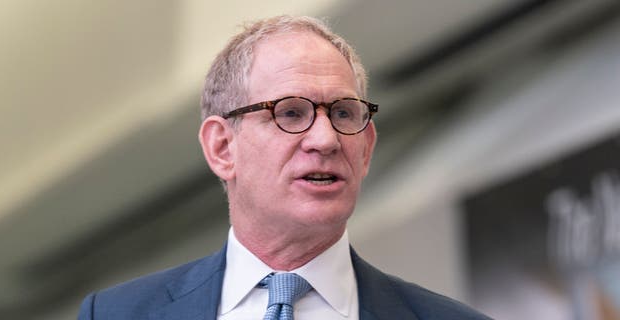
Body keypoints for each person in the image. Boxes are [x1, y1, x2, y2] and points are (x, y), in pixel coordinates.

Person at [78, 15, 491, 320]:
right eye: (291, 113)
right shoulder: (117, 314)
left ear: (366, 149)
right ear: (222, 147)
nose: (326, 139)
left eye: (345, 114)